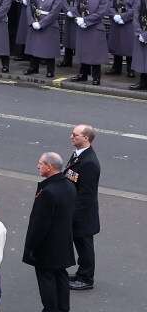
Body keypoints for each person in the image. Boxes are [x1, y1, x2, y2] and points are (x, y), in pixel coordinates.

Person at [23, 151, 76, 312]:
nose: (38, 166)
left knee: (46, 278)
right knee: (61, 276)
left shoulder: (48, 192)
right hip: (63, 241)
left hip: (48, 245)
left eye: (41, 163)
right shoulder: (69, 186)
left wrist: (31, 247)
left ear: (49, 167)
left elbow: (40, 224)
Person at [67, 124, 100, 290]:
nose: (71, 137)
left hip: (82, 214)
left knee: (85, 246)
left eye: (75, 135)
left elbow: (86, 195)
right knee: (80, 244)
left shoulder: (89, 163)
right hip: (76, 211)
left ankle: (86, 278)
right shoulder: (78, 155)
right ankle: (82, 273)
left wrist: (72, 214)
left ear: (86, 138)